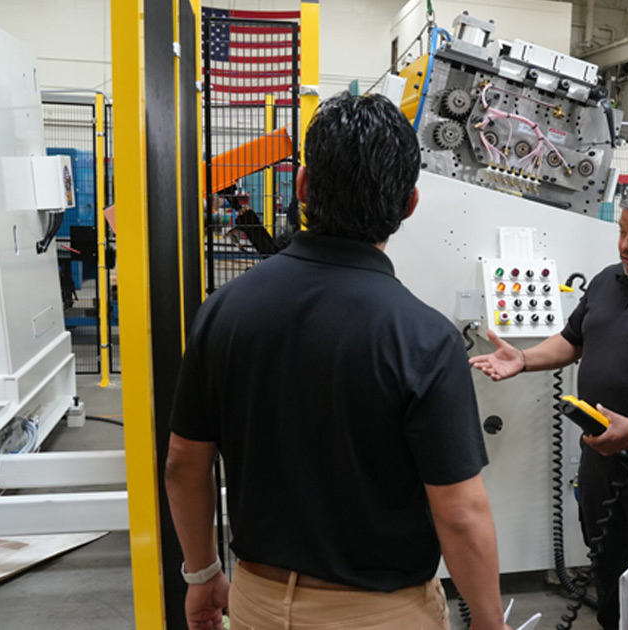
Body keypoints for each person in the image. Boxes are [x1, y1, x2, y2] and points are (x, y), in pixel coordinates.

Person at [165, 92, 510, 630]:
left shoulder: (223, 312)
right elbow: (460, 514)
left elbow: (184, 464)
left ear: (303, 187)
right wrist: (490, 623)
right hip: (381, 614)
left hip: (254, 600)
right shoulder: (424, 338)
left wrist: (203, 572)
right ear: (408, 204)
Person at [470, 183, 628, 630]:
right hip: (600, 464)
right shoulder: (607, 281)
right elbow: (572, 340)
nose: (625, 245)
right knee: (608, 572)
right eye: (622, 232)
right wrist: (523, 359)